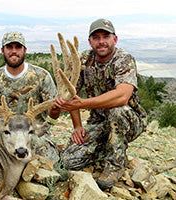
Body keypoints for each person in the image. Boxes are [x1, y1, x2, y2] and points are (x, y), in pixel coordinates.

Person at [55, 18, 147, 190]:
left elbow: (122, 96)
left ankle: (115, 165)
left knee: (117, 111)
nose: (101, 41)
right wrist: (77, 126)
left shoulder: (124, 59)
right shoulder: (83, 59)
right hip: (99, 123)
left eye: (106, 36)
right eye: (96, 37)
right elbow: (70, 93)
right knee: (68, 160)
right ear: (90, 41)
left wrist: (82, 104)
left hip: (128, 121)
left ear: (115, 39)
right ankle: (106, 149)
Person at [0, 31, 61, 163]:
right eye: (9, 47)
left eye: (18, 47)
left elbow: (53, 115)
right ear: (2, 50)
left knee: (49, 157)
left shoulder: (41, 75)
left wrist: (56, 110)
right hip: (7, 131)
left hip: (33, 131)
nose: (14, 51)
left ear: (25, 50)